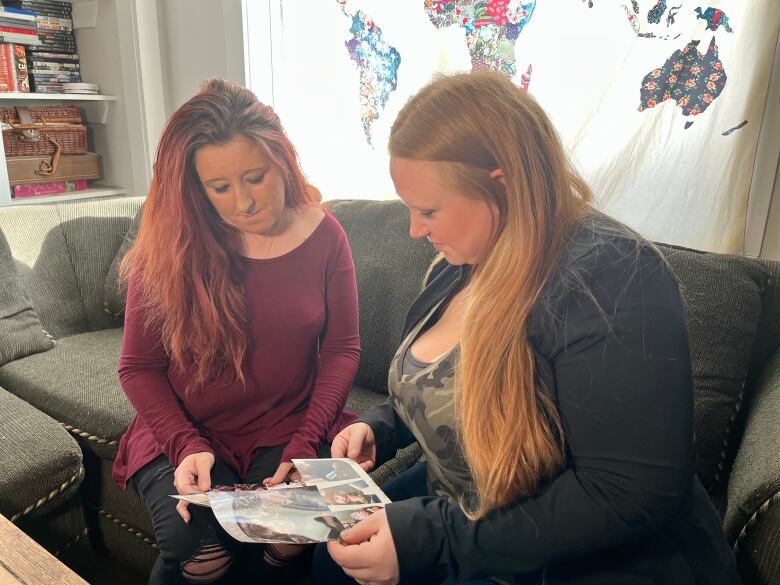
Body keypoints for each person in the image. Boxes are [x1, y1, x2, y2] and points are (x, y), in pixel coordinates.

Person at [313, 71, 740, 584]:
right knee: (328, 553)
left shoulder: (612, 279)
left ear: (503, 184)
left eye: (427, 210)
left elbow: (626, 491)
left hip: (572, 554)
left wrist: (437, 538)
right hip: (467, 507)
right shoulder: (464, 261)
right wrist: (382, 425)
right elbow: (452, 381)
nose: (414, 230)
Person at [111, 78, 361, 584]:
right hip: (187, 429)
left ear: (281, 162)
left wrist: (306, 442)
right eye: (220, 187)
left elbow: (342, 349)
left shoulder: (326, 234)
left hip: (289, 425)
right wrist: (185, 445)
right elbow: (137, 367)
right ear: (196, 189)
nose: (244, 202)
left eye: (255, 177)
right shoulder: (170, 245)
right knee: (199, 550)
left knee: (292, 539)